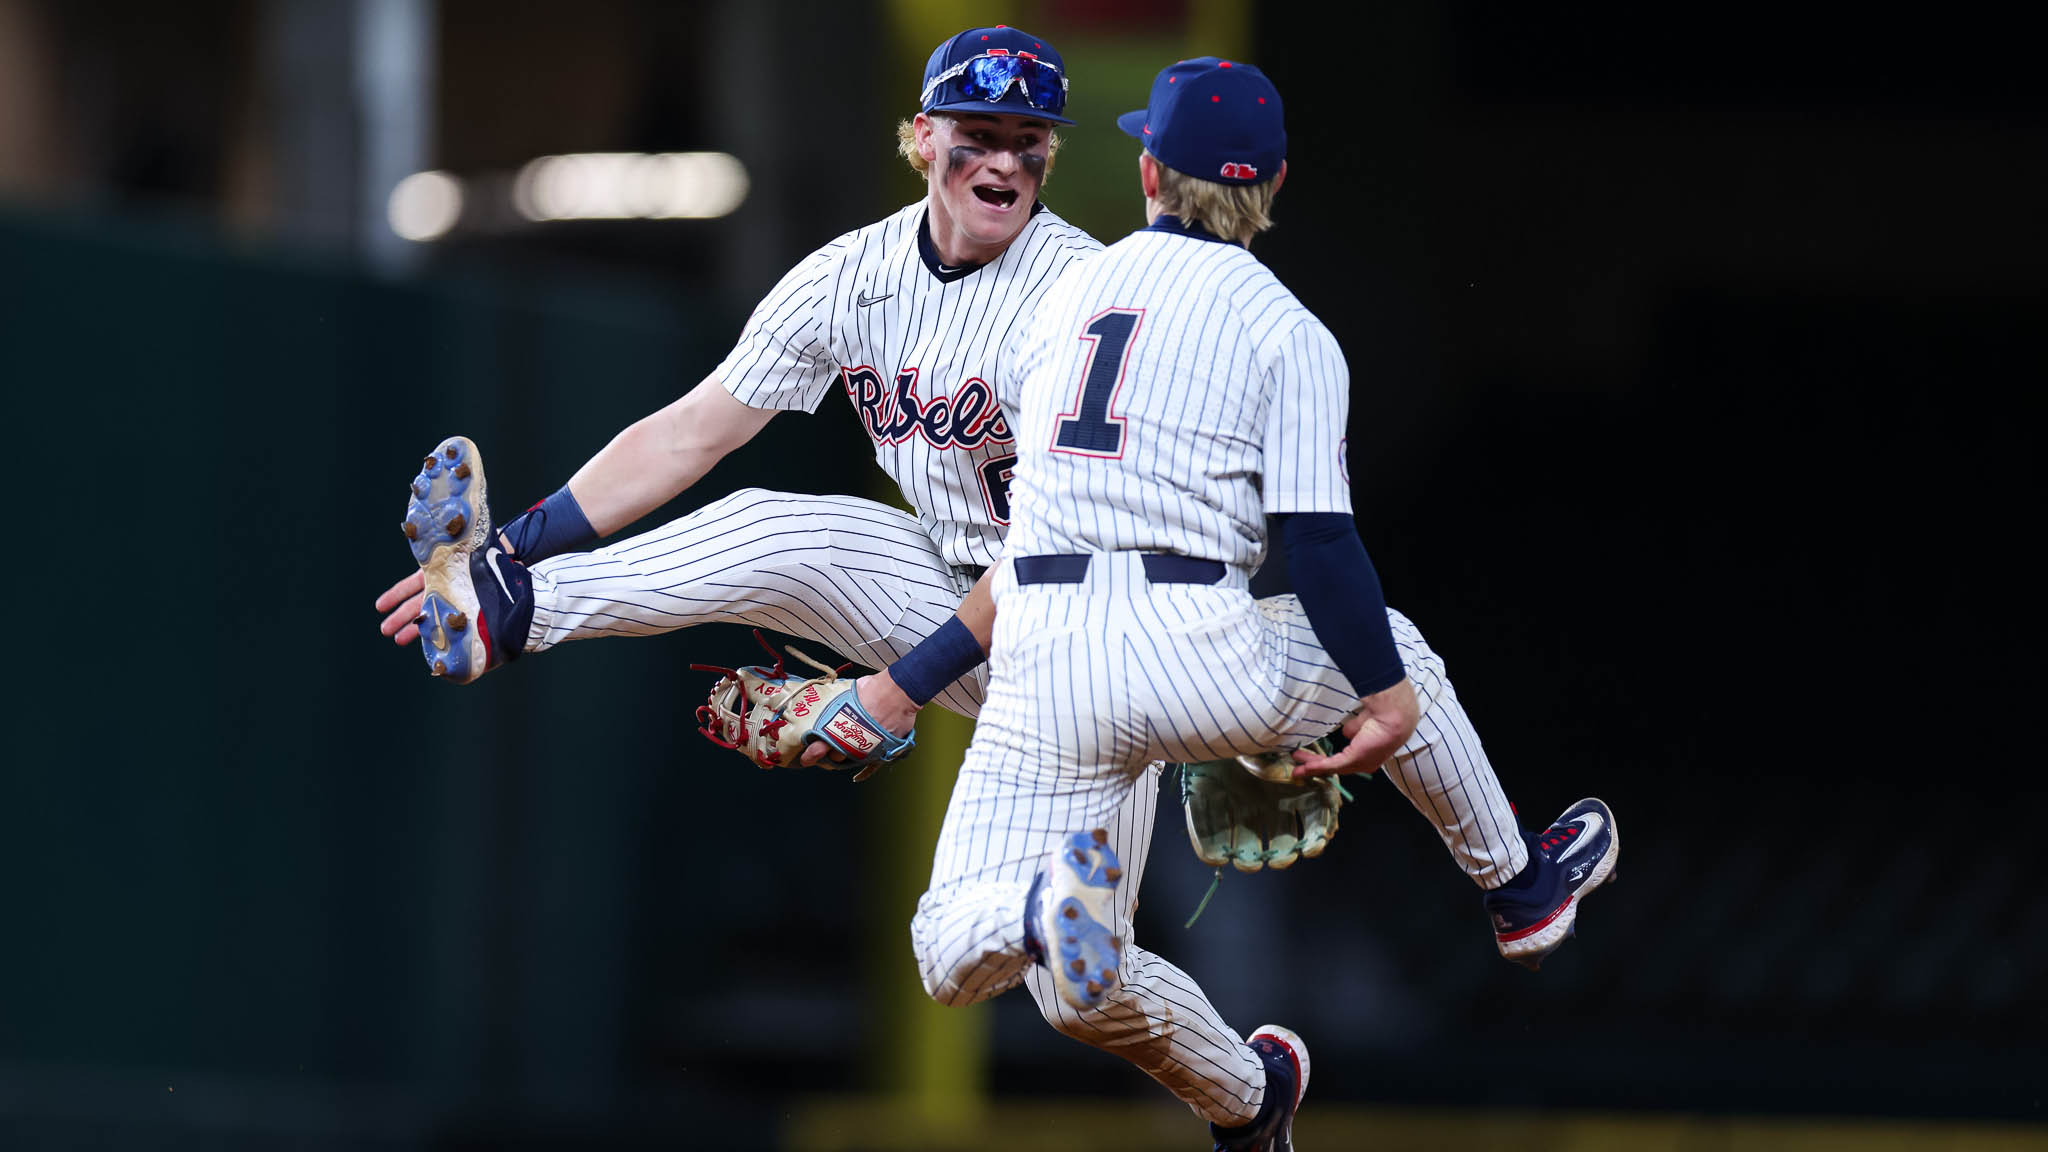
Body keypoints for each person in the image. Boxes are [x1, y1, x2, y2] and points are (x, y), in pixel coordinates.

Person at [898, 58, 1619, 1150]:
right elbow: (1320, 547)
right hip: (1202, 641)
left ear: (1147, 169)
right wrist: (1377, 699)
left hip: (1042, 647)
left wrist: (904, 681)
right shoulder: (1287, 329)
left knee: (948, 950)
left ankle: (1034, 915)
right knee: (1399, 655)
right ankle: (1516, 891)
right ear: (1272, 185)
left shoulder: (1054, 296)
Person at [375, 25, 1099, 741]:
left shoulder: (1081, 293)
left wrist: (896, 691)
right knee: (779, 527)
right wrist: (504, 553)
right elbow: (688, 435)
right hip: (952, 587)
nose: (1005, 162)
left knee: (1076, 857)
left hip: (1086, 629)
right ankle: (509, 605)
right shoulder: (850, 273)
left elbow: (1051, 548)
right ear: (926, 136)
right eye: (980, 132)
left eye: (1027, 139)